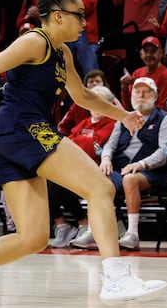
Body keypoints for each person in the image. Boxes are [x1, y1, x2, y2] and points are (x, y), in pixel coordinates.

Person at [0, 0, 167, 308]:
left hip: (11, 139)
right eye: (79, 16)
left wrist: (123, 115)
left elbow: (83, 96)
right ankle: (115, 275)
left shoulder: (62, 53)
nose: (84, 23)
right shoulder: (35, 40)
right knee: (100, 189)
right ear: (57, 15)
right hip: (23, 129)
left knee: (33, 237)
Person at [99, 77, 167, 250]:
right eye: (137, 91)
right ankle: (94, 231)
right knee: (97, 177)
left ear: (155, 96)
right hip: (122, 169)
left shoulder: (166, 119)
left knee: (130, 179)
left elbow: (166, 151)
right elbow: (109, 145)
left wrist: (141, 164)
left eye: (146, 91)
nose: (141, 95)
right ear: (131, 94)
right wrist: (105, 158)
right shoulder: (123, 119)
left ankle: (132, 234)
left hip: (154, 172)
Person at [49, 85, 117, 248]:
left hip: (93, 170)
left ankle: (83, 223)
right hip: (72, 166)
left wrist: (79, 142)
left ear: (109, 104)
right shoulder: (84, 122)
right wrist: (83, 141)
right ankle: (62, 226)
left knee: (55, 184)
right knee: (43, 179)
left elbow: (96, 147)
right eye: (92, 101)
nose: (94, 105)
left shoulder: (113, 123)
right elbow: (66, 142)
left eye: (99, 101)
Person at [119, 36, 167, 111]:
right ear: (141, 54)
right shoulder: (137, 73)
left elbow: (164, 109)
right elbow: (128, 106)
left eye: (153, 51)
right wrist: (124, 87)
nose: (149, 54)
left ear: (161, 53)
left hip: (158, 120)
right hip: (138, 117)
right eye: (146, 51)